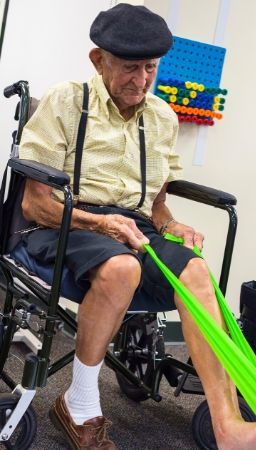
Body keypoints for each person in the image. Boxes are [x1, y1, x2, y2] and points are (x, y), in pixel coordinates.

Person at [14, 3, 256, 450]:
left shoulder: (162, 116)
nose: (142, 80)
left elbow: (157, 205)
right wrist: (102, 224)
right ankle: (79, 403)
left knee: (197, 271)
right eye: (130, 67)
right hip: (67, 222)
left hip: (133, 227)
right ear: (98, 59)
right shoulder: (66, 100)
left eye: (150, 68)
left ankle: (229, 427)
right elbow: (35, 203)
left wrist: (174, 224)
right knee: (122, 268)